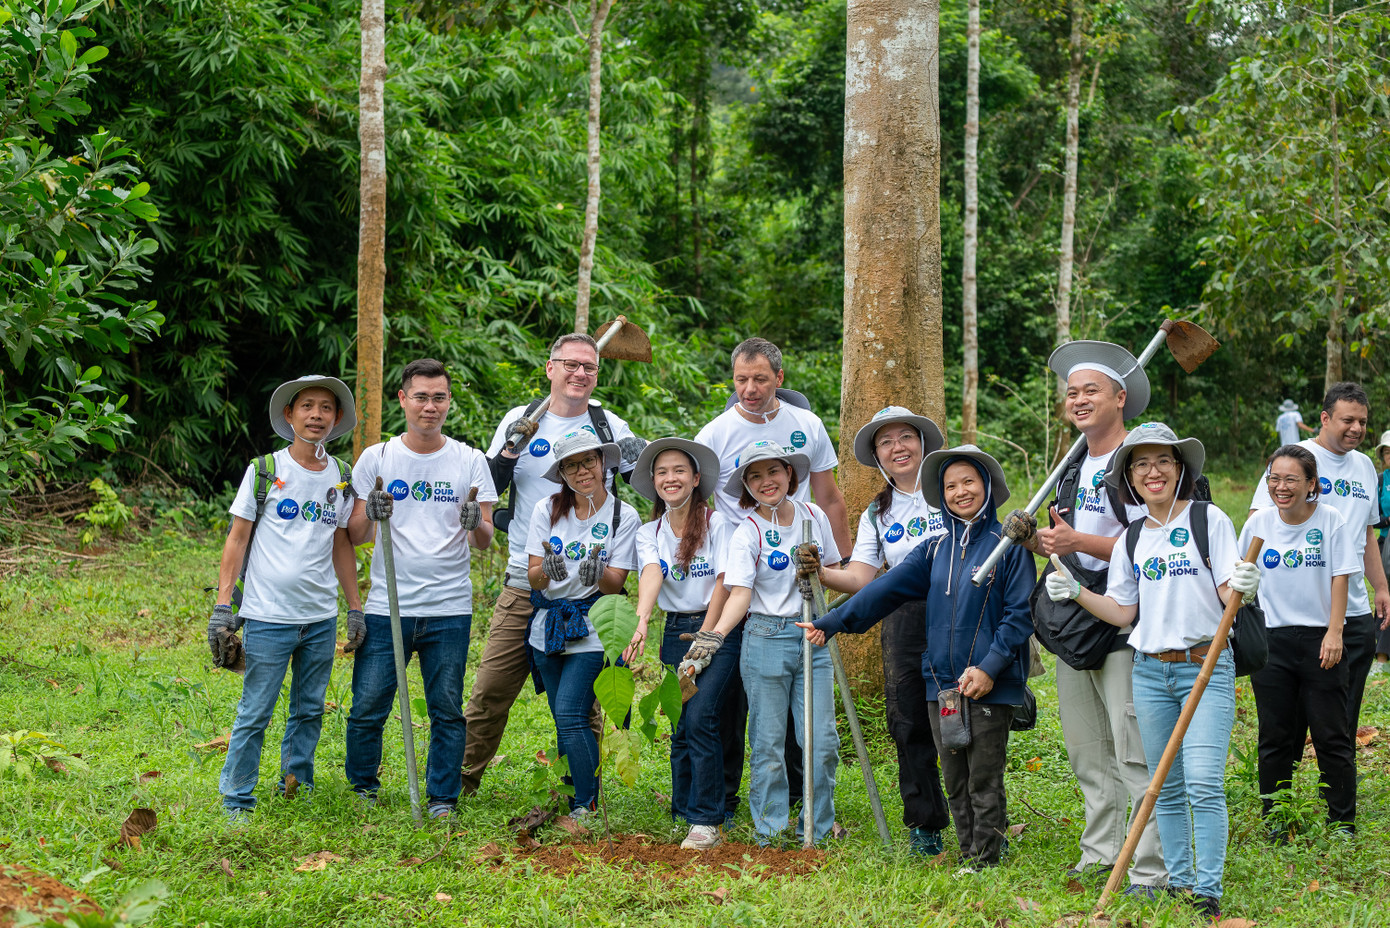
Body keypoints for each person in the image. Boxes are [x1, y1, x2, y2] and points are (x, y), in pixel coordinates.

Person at [1047, 422, 1261, 921]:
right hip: (1149, 671)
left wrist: (1245, 586)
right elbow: (1124, 611)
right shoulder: (1132, 538)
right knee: (1164, 784)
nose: (1153, 471)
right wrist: (1076, 593)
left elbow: (1228, 595)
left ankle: (1207, 889)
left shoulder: (1210, 521)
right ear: (1130, 478)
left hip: (1205, 666)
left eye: (1163, 460)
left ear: (1179, 468)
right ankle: (1179, 881)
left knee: (1205, 780)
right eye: (1141, 464)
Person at [804, 444, 1033, 870]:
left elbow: (1019, 617)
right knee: (954, 776)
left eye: (969, 482)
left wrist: (990, 667)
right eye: (950, 486)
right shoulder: (933, 550)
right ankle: (968, 853)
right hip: (940, 684)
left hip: (987, 682)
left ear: (987, 486)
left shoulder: (1010, 547)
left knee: (983, 776)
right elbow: (881, 591)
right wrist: (832, 621)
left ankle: (986, 859)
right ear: (941, 495)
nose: (960, 492)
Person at [1001, 341, 1166, 894]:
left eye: (1091, 390)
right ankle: (1100, 853)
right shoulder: (1071, 465)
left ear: (1121, 398)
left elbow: (1155, 543)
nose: (1079, 400)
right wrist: (1039, 540)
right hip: (1072, 621)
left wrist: (1079, 542)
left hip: (1124, 620)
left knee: (1131, 748)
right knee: (1086, 750)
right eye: (1072, 392)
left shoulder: (1141, 462)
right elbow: (1061, 541)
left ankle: (1148, 867)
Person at [462, 334, 644, 795]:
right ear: (550, 368)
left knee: (581, 708)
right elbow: (490, 485)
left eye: (590, 366)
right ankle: (458, 784)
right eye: (571, 364)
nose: (580, 373)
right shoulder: (521, 420)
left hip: (589, 594)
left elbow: (645, 480)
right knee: (489, 693)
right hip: (527, 583)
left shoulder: (607, 424)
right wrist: (510, 448)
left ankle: (582, 793)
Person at [693, 337, 849, 820]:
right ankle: (740, 813)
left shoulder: (806, 426)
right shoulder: (715, 433)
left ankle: (815, 819)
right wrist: (710, 624)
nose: (750, 389)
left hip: (803, 601)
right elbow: (698, 513)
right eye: (741, 379)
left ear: (779, 378)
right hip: (741, 580)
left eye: (760, 379)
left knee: (815, 734)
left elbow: (831, 500)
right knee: (743, 714)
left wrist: (836, 574)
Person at [346, 359, 497, 819]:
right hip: (386, 604)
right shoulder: (378, 458)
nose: (429, 407)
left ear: (448, 402)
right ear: (403, 400)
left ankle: (442, 798)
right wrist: (369, 512)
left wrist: (477, 523)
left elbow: (485, 538)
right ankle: (362, 788)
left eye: (439, 397)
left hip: (449, 607)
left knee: (447, 708)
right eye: (421, 397)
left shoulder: (470, 461)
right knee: (369, 703)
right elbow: (354, 534)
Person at [209, 375, 363, 821]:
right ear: (290, 415)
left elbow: (341, 544)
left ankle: (297, 785)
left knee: (308, 710)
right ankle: (237, 798)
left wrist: (353, 609)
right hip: (268, 615)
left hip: (319, 617)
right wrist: (223, 607)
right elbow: (237, 539)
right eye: (308, 407)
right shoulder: (264, 470)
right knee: (255, 711)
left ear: (336, 420)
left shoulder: (341, 476)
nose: (316, 415)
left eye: (326, 409)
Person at [680, 440, 842, 843]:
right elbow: (740, 594)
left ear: (790, 473)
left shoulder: (814, 516)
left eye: (773, 471)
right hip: (766, 637)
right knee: (768, 744)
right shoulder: (747, 531)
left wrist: (820, 572)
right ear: (746, 486)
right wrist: (713, 637)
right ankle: (770, 834)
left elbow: (837, 573)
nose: (765, 481)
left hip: (814, 635)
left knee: (821, 742)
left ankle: (817, 831)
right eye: (754, 476)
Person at [808, 405, 950, 858]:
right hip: (904, 616)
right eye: (885, 442)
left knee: (968, 716)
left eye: (905, 436)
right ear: (877, 456)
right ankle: (925, 824)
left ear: (922, 443)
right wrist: (823, 573)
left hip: (960, 607)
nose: (897, 448)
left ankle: (981, 820)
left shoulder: (950, 489)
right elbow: (863, 578)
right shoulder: (878, 510)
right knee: (908, 720)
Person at [1248, 382, 1389, 735]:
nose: (1356, 428)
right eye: (1347, 420)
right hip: (1296, 615)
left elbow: (1367, 532)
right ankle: (1284, 787)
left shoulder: (1365, 467)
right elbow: (1259, 524)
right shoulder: (1293, 459)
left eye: (1362, 421)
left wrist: (1382, 587)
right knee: (1289, 721)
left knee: (1342, 717)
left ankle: (1338, 787)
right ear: (1325, 418)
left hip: (1353, 611)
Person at [1240, 445, 1358, 839]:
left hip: (1321, 639)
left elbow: (1339, 576)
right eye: (1274, 478)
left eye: (1291, 479)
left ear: (1312, 484)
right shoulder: (1259, 526)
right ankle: (1276, 821)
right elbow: (1237, 580)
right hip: (1272, 641)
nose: (1281, 487)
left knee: (1331, 735)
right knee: (1275, 735)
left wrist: (1335, 632)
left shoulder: (1331, 520)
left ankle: (1341, 822)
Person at [624, 438, 732, 849]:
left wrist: (707, 636)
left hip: (717, 626)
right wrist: (641, 622)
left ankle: (708, 821)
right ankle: (684, 810)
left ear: (696, 478)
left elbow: (724, 580)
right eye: (662, 472)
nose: (671, 478)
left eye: (679, 471)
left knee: (702, 715)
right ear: (653, 482)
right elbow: (652, 572)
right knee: (680, 721)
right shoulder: (648, 531)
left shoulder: (717, 523)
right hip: (674, 630)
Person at [525, 430, 639, 813]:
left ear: (602, 462)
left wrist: (598, 573)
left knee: (573, 712)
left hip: (595, 626)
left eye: (588, 460)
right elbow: (533, 575)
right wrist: (548, 571)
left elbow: (616, 582)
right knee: (562, 718)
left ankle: (586, 806)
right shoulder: (547, 510)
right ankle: (572, 791)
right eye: (571, 465)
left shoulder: (623, 515)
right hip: (550, 625)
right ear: (562, 473)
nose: (581, 470)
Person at [1373, 430, 1390, 677]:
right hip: (1385, 545)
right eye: (1387, 452)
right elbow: (1371, 518)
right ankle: (1381, 657)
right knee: (1385, 598)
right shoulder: (1379, 480)